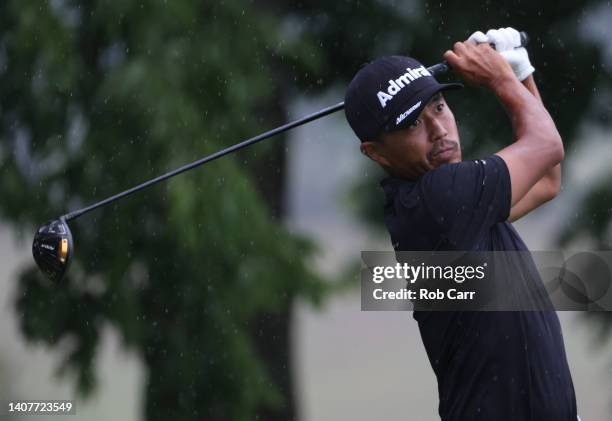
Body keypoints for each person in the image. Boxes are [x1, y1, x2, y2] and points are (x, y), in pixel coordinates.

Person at [344, 28, 577, 420]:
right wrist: (503, 77)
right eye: (411, 123)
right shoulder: (441, 199)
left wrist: (520, 73)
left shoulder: (446, 205)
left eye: (437, 107)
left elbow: (547, 179)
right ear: (376, 153)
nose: (439, 130)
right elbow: (547, 145)